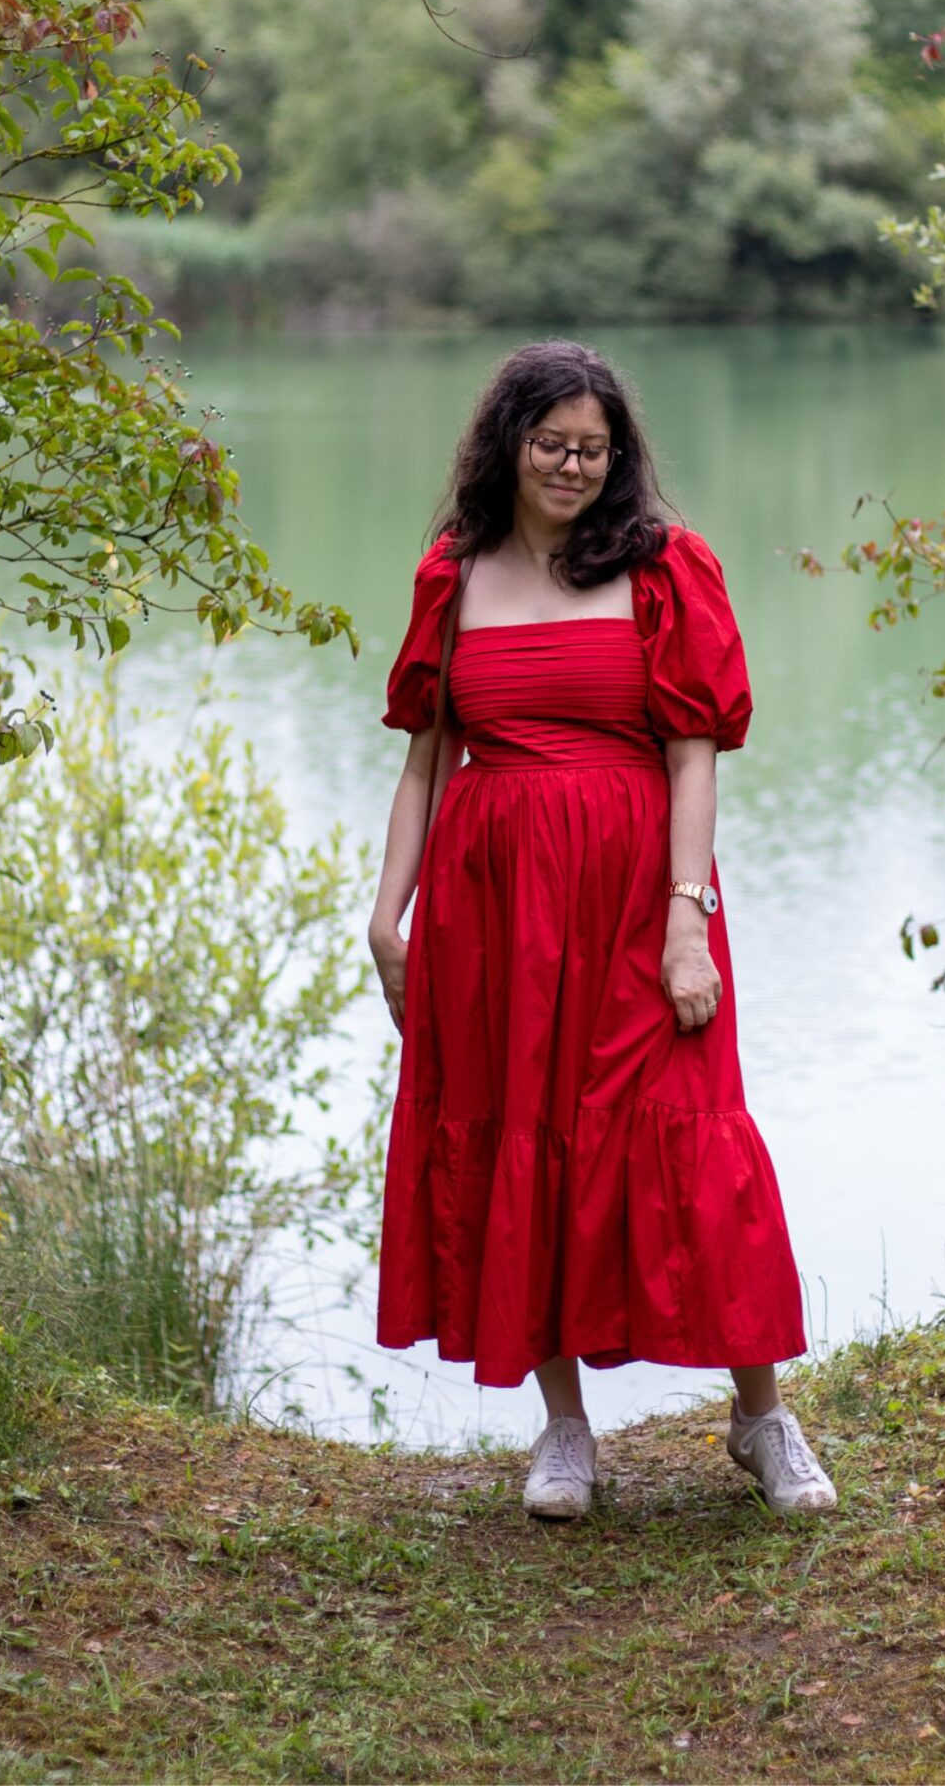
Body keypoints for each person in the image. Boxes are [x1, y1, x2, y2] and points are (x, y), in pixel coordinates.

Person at [368, 338, 837, 1521]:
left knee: (689, 1132)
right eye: (553, 445)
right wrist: (388, 916)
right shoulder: (453, 575)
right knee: (522, 1132)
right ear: (507, 448)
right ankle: (565, 1431)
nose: (575, 465)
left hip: (638, 896)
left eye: (594, 447)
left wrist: (689, 924)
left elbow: (695, 762)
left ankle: (761, 1419)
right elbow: (427, 761)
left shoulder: (668, 569)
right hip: (493, 912)